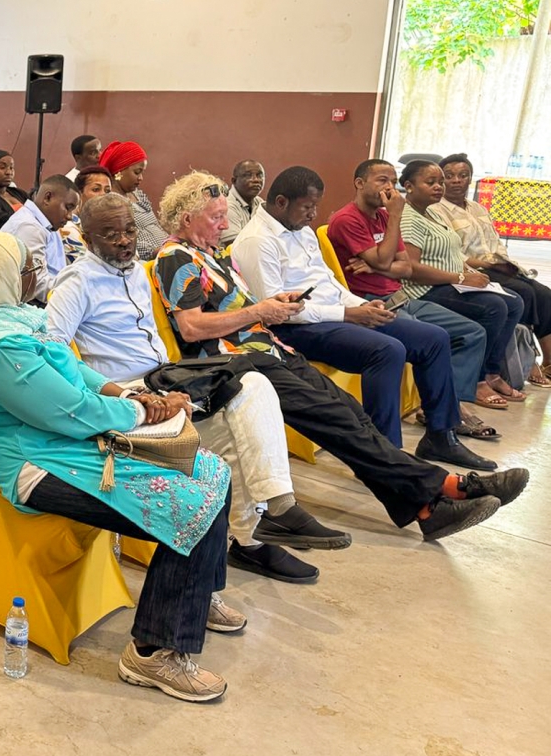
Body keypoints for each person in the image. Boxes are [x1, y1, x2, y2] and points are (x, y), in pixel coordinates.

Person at [0, 232, 240, 701]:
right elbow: (68, 412)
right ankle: (151, 654)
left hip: (66, 443)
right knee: (187, 502)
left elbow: (74, 371)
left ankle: (194, 596)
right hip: (36, 462)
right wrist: (145, 413)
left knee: (209, 471)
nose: (32, 275)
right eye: (23, 268)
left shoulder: (16, 319)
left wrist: (130, 395)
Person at [150, 171, 524, 541]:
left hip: (270, 351)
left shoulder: (211, 255)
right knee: (336, 419)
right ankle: (447, 486)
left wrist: (271, 306)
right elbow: (193, 328)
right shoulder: (176, 257)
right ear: (187, 219)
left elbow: (246, 308)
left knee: (350, 413)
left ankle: (428, 509)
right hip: (235, 365)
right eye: (216, 216)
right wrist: (260, 311)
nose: (225, 222)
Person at [51, 193, 343, 583]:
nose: (124, 241)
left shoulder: (136, 270)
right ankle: (252, 541)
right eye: (110, 234)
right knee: (237, 439)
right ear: (87, 239)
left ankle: (278, 506)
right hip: (129, 397)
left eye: (130, 230)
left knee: (254, 384)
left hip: (165, 380)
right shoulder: (77, 282)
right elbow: (53, 351)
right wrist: (117, 395)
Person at [230, 166, 493, 469]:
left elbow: (330, 283)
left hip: (334, 315)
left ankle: (441, 437)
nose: (314, 214)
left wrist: (364, 307)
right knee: (387, 350)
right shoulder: (257, 240)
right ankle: (385, 454)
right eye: (307, 207)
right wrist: (349, 314)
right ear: (280, 202)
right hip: (295, 327)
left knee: (433, 338)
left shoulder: (300, 230)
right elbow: (276, 311)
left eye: (316, 206)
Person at [326, 159, 503, 428]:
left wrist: (377, 263)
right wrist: (393, 227)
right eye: (381, 180)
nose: (389, 188)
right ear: (360, 183)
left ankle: (452, 405)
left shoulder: (384, 216)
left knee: (472, 332)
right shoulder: (349, 219)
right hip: (370, 301)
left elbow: (405, 267)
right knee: (433, 339)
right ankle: (444, 420)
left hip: (401, 296)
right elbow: (389, 262)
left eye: (392, 181)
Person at [398, 160, 526, 405]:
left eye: (439, 182)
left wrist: (472, 273)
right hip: (424, 289)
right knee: (494, 307)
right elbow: (411, 269)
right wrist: (460, 277)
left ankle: (491, 372)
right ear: (409, 186)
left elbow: (454, 253)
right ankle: (476, 381)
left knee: (515, 302)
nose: (439, 187)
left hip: (452, 281)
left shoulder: (433, 213)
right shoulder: (408, 218)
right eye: (430, 182)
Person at [435, 152, 551, 385]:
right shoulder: (437, 210)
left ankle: (548, 362)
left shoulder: (478, 208)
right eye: (449, 176)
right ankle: (523, 361)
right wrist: (488, 264)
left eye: (463, 175)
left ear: (470, 179)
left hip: (496, 264)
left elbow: (495, 242)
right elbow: (454, 254)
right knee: (523, 293)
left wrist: (506, 262)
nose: (456, 180)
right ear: (441, 180)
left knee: (545, 294)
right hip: (473, 268)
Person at [1, 174, 75, 305]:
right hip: (29, 304)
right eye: (68, 207)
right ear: (47, 198)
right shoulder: (29, 227)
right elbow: (36, 285)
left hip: (48, 295)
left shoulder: (46, 223)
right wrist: (75, 294)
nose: (70, 216)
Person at [99, 140, 165, 260]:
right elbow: (123, 239)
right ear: (119, 171)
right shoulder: (109, 203)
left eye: (142, 173)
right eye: (137, 172)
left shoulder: (137, 194)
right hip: (145, 260)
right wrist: (157, 251)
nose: (141, 178)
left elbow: (155, 225)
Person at [219, 160, 265, 247]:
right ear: (234, 180)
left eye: (260, 175)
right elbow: (235, 246)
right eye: (248, 175)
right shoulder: (227, 205)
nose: (256, 180)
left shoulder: (259, 202)